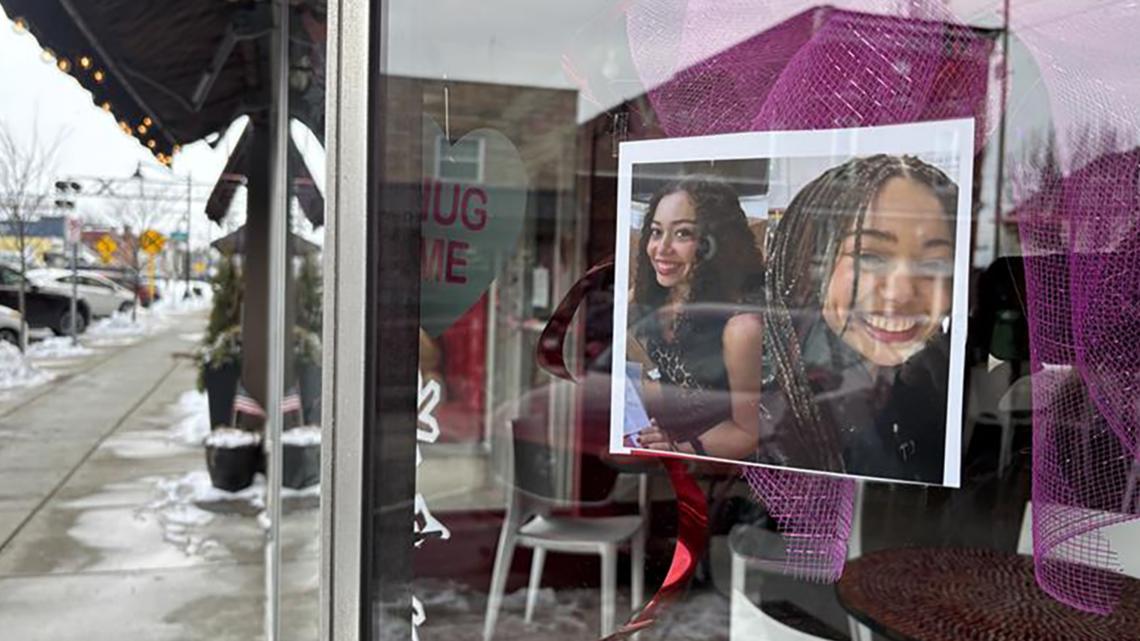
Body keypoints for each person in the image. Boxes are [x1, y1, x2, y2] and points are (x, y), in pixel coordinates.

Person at [760, 154, 958, 482]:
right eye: (870, 257)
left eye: (935, 264)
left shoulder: (943, 384)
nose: (901, 292)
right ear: (811, 261)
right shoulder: (774, 413)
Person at [628, 177, 766, 459]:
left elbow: (748, 435)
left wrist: (676, 447)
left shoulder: (740, 328)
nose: (661, 248)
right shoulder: (658, 291)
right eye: (656, 232)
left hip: (717, 467)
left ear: (716, 242)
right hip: (671, 428)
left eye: (683, 234)